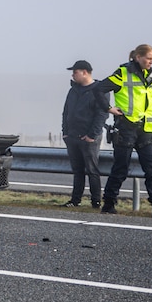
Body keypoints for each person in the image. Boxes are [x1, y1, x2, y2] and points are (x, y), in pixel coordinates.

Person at [91, 44, 152, 218]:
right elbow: (99, 89)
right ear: (137, 57)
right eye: (148, 58)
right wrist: (109, 108)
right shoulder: (123, 72)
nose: (151, 62)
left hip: (147, 129)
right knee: (121, 168)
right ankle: (109, 204)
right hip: (126, 127)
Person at [60, 60, 108, 208]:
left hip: (89, 138)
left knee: (92, 170)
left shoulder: (99, 90)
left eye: (75, 72)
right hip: (72, 136)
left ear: (85, 72)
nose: (73, 75)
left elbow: (101, 114)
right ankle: (75, 200)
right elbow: (66, 111)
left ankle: (96, 202)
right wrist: (65, 132)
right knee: (77, 171)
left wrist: (92, 135)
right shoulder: (73, 90)